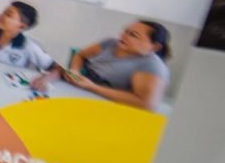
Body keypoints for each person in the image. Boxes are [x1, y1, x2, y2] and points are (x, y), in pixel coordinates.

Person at [34, 21, 171, 111]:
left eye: (133, 35)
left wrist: (93, 87)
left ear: (154, 47)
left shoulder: (152, 65)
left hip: (101, 104)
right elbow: (80, 55)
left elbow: (146, 104)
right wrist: (75, 71)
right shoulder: (111, 43)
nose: (123, 36)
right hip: (77, 89)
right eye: (125, 31)